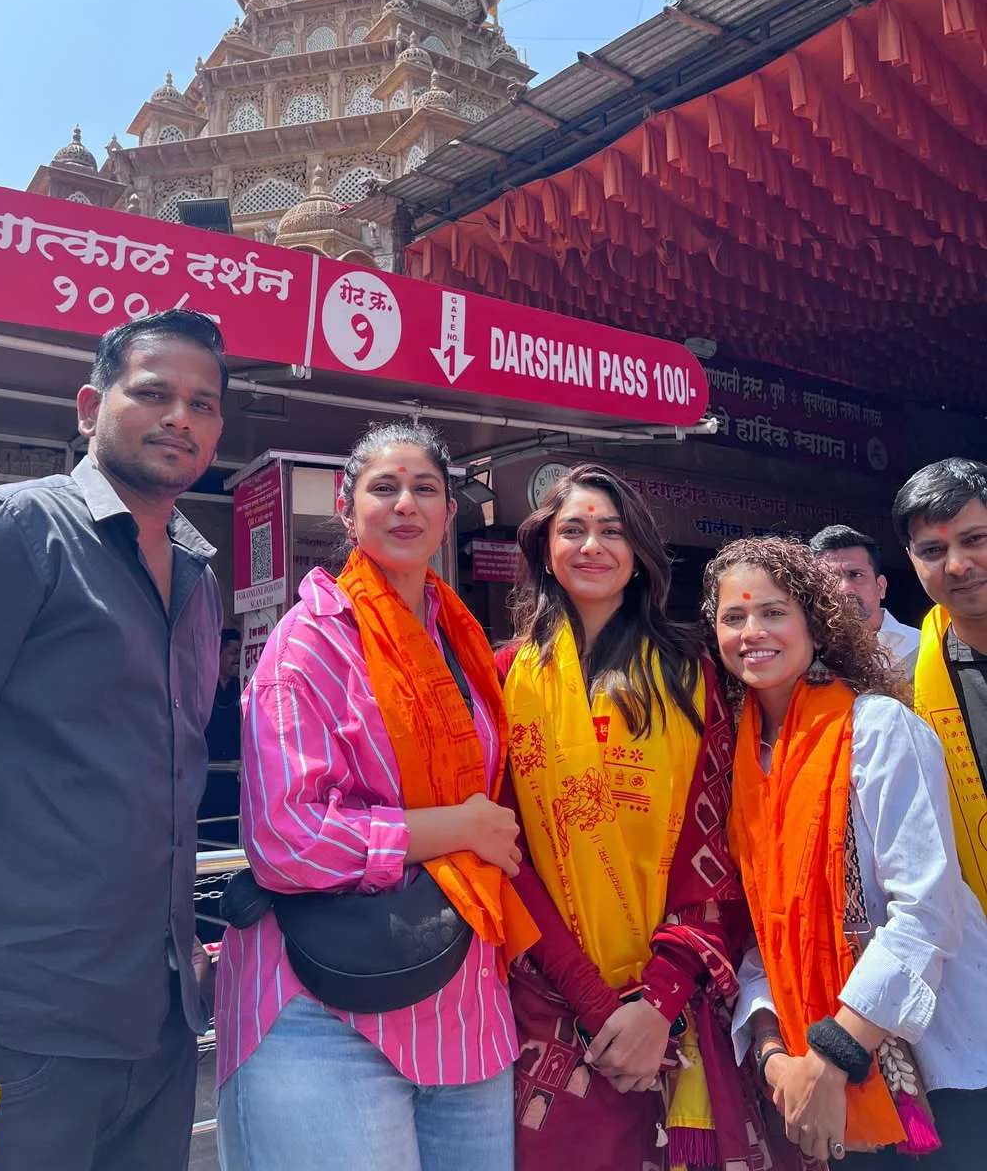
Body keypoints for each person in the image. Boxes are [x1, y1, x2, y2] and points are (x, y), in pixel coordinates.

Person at [0, 309, 227, 1171]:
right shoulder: (12, 534)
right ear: (90, 406)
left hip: (158, 1033)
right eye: (152, 393)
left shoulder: (199, 585)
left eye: (203, 404)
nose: (180, 419)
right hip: (5, 1033)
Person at [214, 421, 537, 1171]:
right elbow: (286, 839)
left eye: (425, 489)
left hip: (460, 1000)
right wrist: (457, 826)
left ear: (450, 513)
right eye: (383, 488)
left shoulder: (458, 639)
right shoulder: (311, 640)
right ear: (345, 504)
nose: (406, 506)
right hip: (322, 1008)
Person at [499, 465, 780, 1171]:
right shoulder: (504, 674)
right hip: (548, 998)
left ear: (641, 553)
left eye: (612, 532)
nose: (592, 546)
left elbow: (715, 842)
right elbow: (505, 853)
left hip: (673, 999)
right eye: (573, 530)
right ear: (544, 550)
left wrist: (657, 1002)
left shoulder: (696, 671)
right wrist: (596, 1002)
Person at [704, 535, 987, 1170]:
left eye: (774, 611)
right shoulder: (737, 761)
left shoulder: (880, 729)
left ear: (815, 621)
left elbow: (927, 913)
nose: (754, 631)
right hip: (808, 1072)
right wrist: (776, 1053)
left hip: (936, 1068)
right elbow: (761, 928)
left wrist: (832, 1056)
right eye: (734, 617)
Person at [893, 459, 987, 916]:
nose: (958, 565)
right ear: (911, 560)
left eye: (974, 540)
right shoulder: (904, 693)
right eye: (932, 550)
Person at [808, 525, 920, 665]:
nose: (845, 589)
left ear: (881, 587)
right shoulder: (806, 653)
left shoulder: (921, 645)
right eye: (830, 578)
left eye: (855, 575)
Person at [198, 629, 243, 852]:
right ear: (218, 653)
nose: (238, 658)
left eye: (241, 652)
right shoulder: (202, 688)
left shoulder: (241, 688)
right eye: (233, 652)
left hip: (232, 786)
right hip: (207, 784)